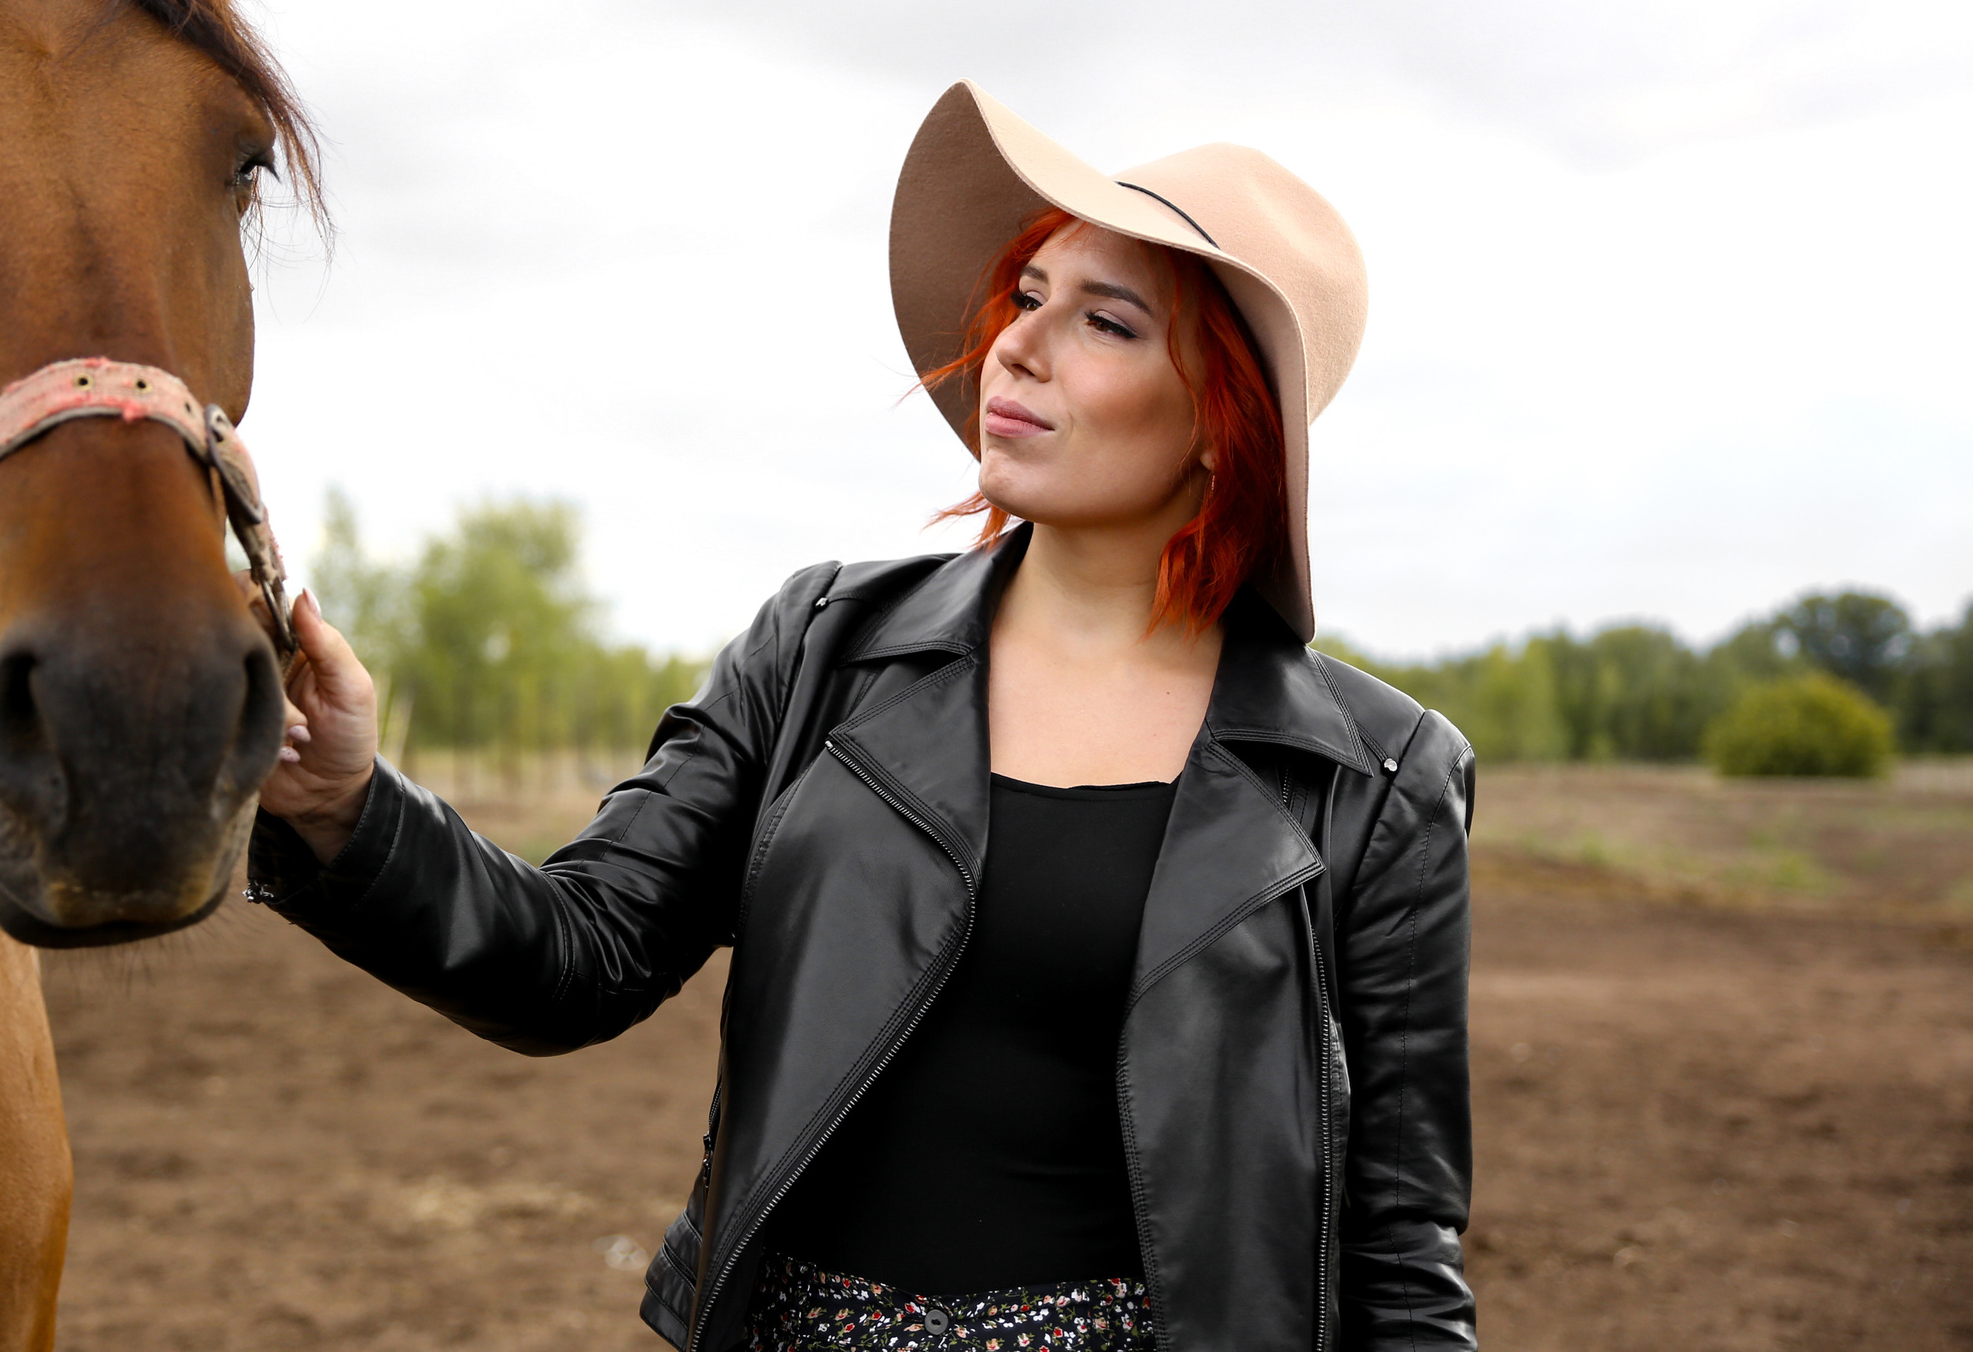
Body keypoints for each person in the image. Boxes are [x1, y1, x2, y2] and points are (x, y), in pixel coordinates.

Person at [249, 81, 1476, 1352]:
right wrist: (346, 803)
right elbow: (580, 953)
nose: (1018, 344)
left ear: (1227, 425)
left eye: (1105, 323)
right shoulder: (822, 648)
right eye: (1029, 297)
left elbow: (1398, 1249)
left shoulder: (1374, 778)